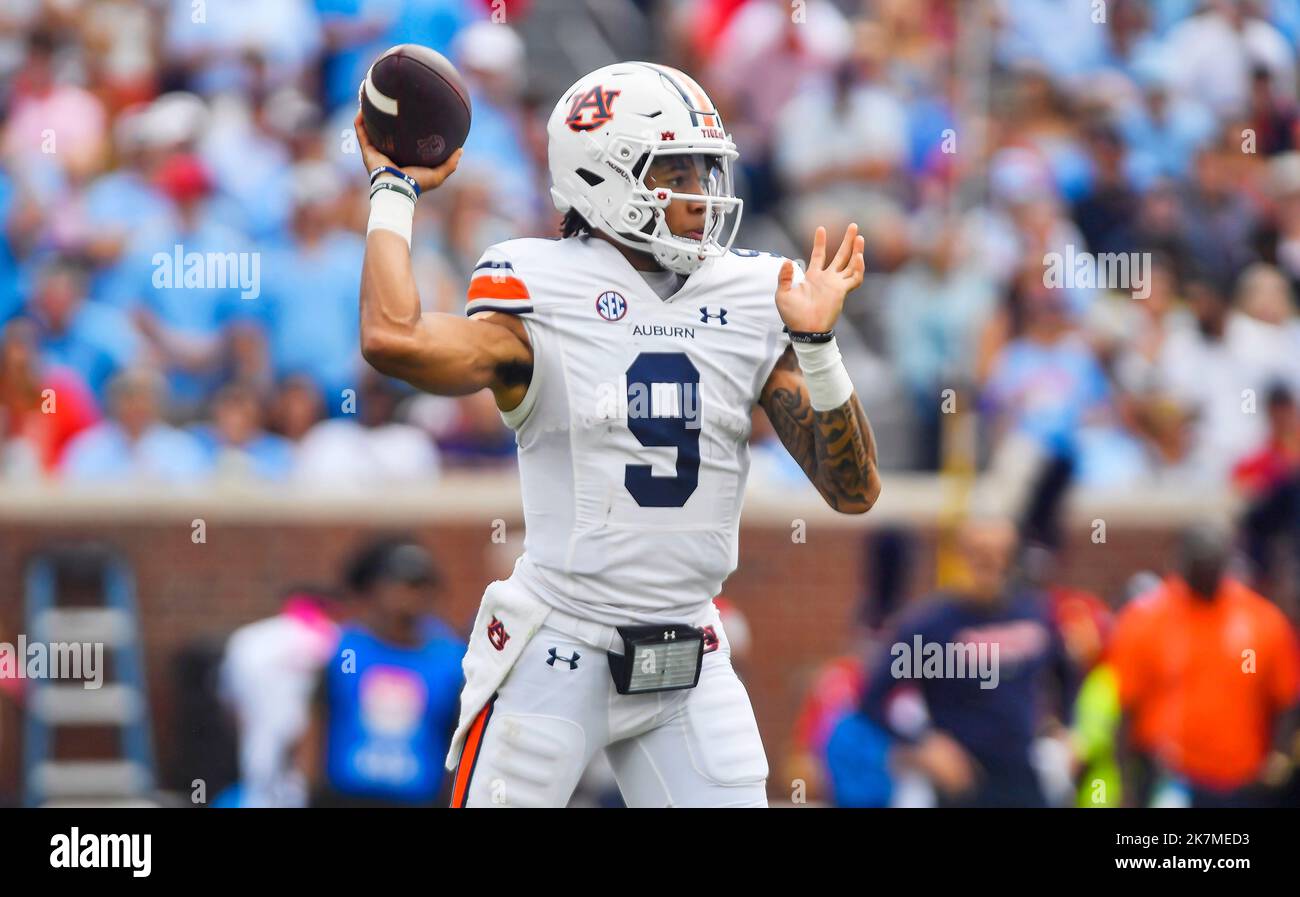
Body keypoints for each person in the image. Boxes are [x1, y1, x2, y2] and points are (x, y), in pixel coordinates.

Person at [353, 61, 881, 807]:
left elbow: (853, 491)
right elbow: (391, 338)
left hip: (687, 649)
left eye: (706, 167)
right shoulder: (539, 285)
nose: (701, 192)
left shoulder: (751, 293)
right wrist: (393, 191)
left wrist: (821, 349)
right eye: (674, 169)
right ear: (600, 176)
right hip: (556, 643)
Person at [860, 516, 1075, 808]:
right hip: (960, 778)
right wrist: (923, 744)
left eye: (1001, 554)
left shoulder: (1033, 612)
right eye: (981, 554)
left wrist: (1069, 730)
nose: (991, 564)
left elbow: (1068, 674)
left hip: (1021, 770)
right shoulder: (929, 624)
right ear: (961, 556)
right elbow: (872, 699)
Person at [1107, 524, 1300, 807]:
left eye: (1212, 563)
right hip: (1170, 776)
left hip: (1243, 779)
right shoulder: (1147, 619)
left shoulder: (1260, 620)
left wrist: (1280, 754)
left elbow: (1286, 696)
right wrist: (1125, 784)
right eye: (1198, 564)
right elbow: (1127, 708)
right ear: (1182, 565)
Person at [301, 539, 464, 808]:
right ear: (377, 588)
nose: (409, 595)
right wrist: (311, 790)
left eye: (420, 585)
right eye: (400, 583)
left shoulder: (449, 659)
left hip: (418, 798)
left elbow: (456, 736)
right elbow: (317, 718)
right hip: (344, 797)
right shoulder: (348, 649)